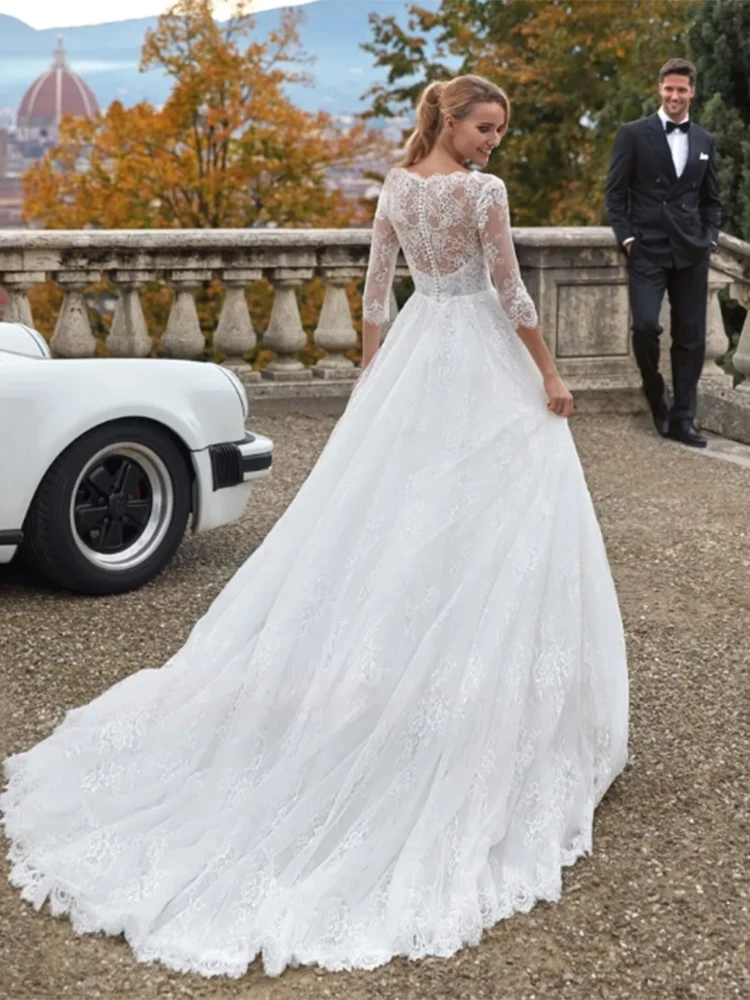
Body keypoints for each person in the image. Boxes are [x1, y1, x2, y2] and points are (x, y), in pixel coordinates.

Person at [1, 74, 629, 979]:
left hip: (417, 354)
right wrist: (551, 376)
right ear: (451, 122)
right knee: (483, 517)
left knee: (399, 519)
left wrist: (377, 377)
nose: (495, 142)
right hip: (479, 357)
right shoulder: (480, 193)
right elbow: (511, 294)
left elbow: (377, 292)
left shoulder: (398, 186)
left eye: (499, 130)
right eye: (486, 126)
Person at [605, 57, 722, 448]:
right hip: (648, 250)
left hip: (692, 251)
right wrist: (627, 238)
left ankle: (684, 419)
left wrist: (710, 237)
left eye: (682, 90)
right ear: (660, 89)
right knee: (644, 327)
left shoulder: (705, 141)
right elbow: (615, 192)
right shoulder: (633, 134)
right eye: (669, 89)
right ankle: (657, 395)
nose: (675, 96)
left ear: (692, 92)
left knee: (691, 339)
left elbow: (712, 200)